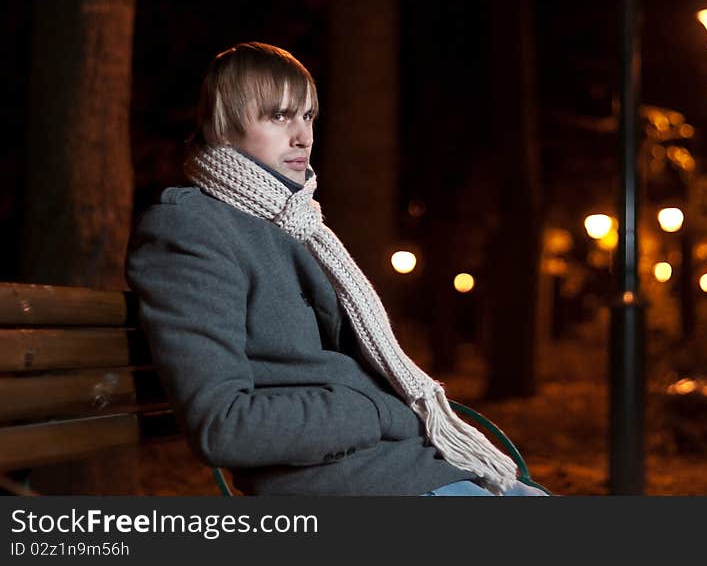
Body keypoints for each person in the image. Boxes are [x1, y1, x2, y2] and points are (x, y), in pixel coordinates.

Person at [125, 42, 547, 496]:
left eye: (307, 117)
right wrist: (380, 409)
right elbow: (223, 425)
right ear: (222, 126)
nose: (303, 136)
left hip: (414, 469)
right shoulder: (191, 229)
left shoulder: (296, 224)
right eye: (279, 116)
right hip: (351, 485)